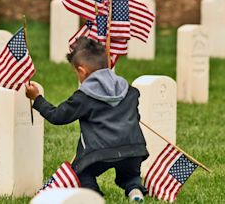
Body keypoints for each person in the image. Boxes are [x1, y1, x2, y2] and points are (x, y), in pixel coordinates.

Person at [25, 37, 149, 202]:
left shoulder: (84, 97)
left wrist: (37, 99)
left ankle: (93, 196)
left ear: (82, 71)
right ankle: (135, 190)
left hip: (99, 151)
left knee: (82, 173)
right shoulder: (130, 91)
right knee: (130, 174)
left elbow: (58, 116)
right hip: (133, 148)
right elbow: (135, 116)